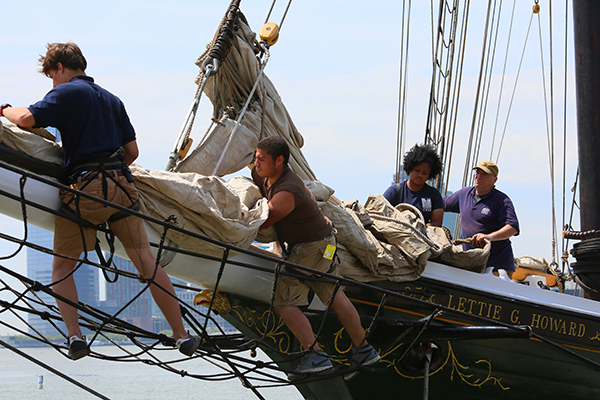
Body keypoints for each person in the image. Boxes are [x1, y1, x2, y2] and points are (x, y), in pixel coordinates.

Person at [0, 42, 200, 360]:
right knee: (147, 264)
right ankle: (181, 335)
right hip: (121, 188)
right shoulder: (112, 99)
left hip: (86, 189)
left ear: (60, 68)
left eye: (51, 76)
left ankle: (76, 337)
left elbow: (24, 119)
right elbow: (132, 153)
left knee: (62, 267)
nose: (52, 83)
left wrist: (4, 109)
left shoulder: (66, 93)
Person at [251, 136, 380, 379]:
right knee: (335, 297)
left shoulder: (287, 190)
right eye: (255, 158)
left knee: (284, 303)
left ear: (279, 161)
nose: (256, 164)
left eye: (261, 159)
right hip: (325, 244)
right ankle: (364, 349)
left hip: (311, 248)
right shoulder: (273, 175)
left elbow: (262, 223)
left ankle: (315, 355)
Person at [443, 160, 520, 273]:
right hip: (471, 264)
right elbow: (440, 204)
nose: (479, 176)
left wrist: (488, 237)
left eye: (484, 174)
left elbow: (512, 228)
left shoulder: (502, 201)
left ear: (494, 179)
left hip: (496, 268)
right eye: (477, 173)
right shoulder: (464, 194)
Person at [382, 144, 444, 226]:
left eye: (425, 173)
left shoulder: (433, 194)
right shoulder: (394, 191)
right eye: (417, 170)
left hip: (423, 235)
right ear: (410, 169)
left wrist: (420, 228)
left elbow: (437, 222)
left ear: (429, 175)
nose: (420, 175)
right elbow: (381, 215)